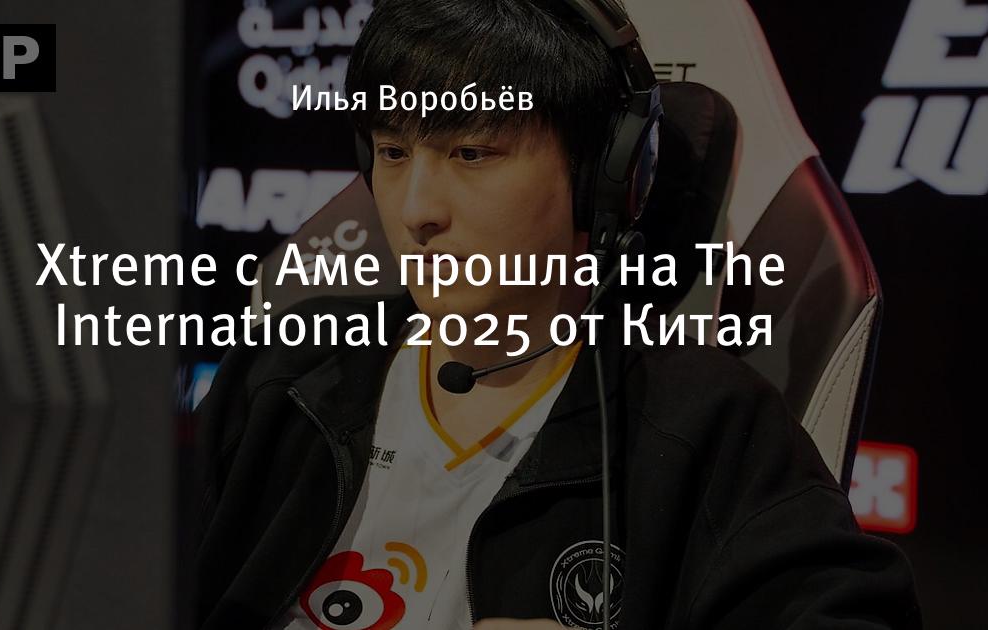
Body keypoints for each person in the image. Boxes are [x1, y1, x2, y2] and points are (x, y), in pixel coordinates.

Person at [194, 1, 921, 629]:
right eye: (391, 151)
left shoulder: (707, 428)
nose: (416, 210)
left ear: (601, 178)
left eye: (470, 152)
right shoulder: (283, 374)